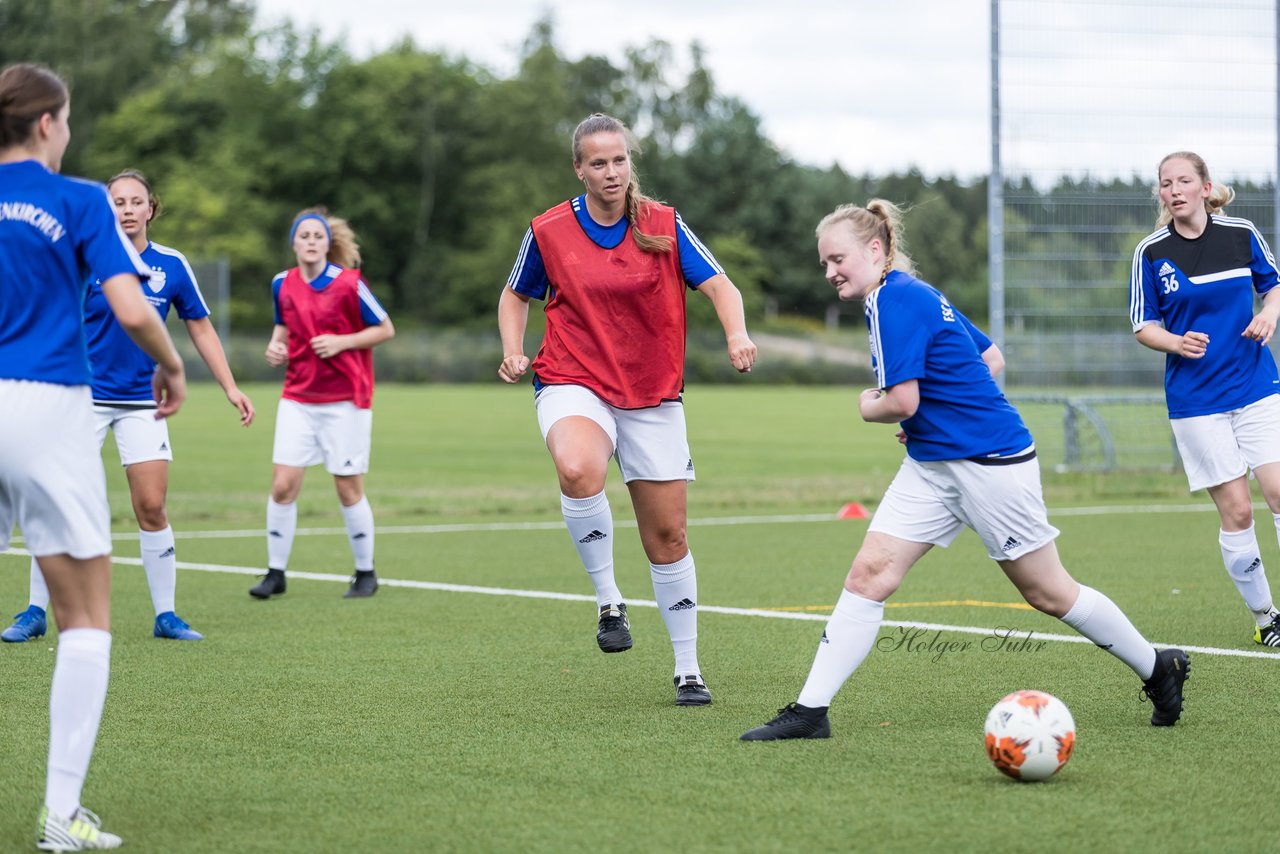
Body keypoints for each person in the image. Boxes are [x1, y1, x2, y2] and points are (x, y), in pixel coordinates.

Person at [741, 200, 1188, 741]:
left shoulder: (894, 299)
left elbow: (901, 400)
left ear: (875, 250)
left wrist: (869, 404)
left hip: (990, 463)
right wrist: (937, 416)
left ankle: (1157, 666)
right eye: (824, 262)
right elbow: (991, 358)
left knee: (1048, 592)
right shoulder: (905, 293)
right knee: (869, 575)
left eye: (837, 258)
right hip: (932, 464)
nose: (830, 271)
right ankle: (811, 712)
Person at [498, 113, 757, 707]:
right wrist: (514, 351)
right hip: (573, 376)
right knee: (578, 469)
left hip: (652, 390)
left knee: (667, 537)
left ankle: (688, 669)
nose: (610, 172)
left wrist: (737, 334)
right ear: (579, 169)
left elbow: (721, 285)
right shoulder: (549, 229)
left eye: (619, 160)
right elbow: (516, 295)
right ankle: (609, 597)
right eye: (598, 163)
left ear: (628, 162)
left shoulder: (663, 224)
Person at [1, 63, 186, 850]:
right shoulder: (78, 200)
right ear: (48, 124)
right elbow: (130, 305)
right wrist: (170, 365)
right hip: (47, 406)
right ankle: (60, 816)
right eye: (67, 119)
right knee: (85, 616)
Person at [2, 169, 254, 645]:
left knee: (152, 505)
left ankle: (167, 616)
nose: (127, 209)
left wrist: (230, 387)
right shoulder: (86, 258)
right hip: (80, 398)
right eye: (118, 201)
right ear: (108, 208)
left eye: (136, 201)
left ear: (151, 208)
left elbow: (200, 327)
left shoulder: (172, 265)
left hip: (143, 403)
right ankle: (35, 611)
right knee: (54, 501)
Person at [1130, 151, 1280, 648]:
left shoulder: (1241, 234)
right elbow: (1143, 326)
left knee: (1279, 491)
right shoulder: (1151, 252)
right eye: (1165, 183)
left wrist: (1269, 315)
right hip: (1197, 401)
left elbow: (1274, 287)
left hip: (1256, 386)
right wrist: (1176, 342)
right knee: (1237, 511)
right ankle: (1266, 619)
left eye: (1183, 181)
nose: (1174, 190)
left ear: (1204, 187)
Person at [249, 207, 394, 600]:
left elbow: (385, 328)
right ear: (293, 243)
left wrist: (341, 342)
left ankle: (366, 573)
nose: (311, 242)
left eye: (318, 236)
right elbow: (283, 325)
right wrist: (276, 347)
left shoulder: (349, 284)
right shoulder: (282, 283)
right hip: (297, 397)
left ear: (328, 244)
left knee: (348, 489)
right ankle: (275, 573)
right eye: (304, 236)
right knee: (282, 486)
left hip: (346, 400)